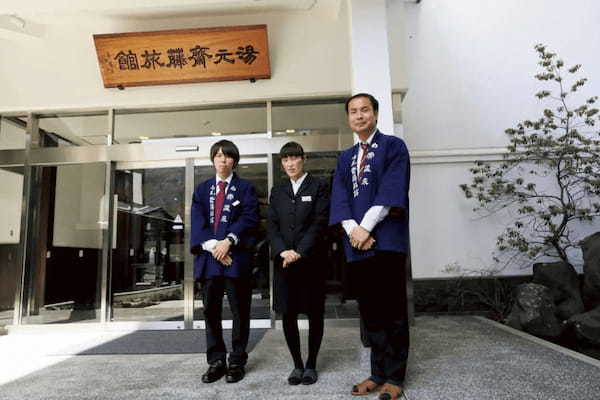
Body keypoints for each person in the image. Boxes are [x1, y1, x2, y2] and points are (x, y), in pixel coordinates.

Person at [329, 93, 410, 400]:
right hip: (357, 244)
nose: (359, 115)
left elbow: (392, 189)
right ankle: (377, 373)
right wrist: (353, 230)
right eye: (353, 111)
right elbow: (339, 198)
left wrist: (366, 227)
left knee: (393, 311)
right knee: (370, 311)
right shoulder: (346, 157)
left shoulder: (393, 147)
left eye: (365, 110)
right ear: (348, 118)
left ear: (375, 114)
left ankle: (395, 376)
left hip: (386, 242)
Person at [191, 139, 259, 384]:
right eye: (218, 155)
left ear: (234, 160)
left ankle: (237, 360)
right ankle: (216, 361)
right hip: (210, 260)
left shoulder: (246, 188)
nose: (222, 159)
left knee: (240, 311)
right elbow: (198, 222)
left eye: (227, 155)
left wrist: (229, 241)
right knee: (211, 311)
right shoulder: (201, 189)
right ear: (212, 159)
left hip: (235, 258)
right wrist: (213, 246)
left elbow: (250, 217)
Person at [267, 142, 329, 385]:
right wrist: (283, 251)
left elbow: (319, 222)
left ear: (303, 159)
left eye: (294, 158)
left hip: (311, 262)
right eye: (285, 159)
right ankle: (297, 365)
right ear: (282, 163)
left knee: (315, 313)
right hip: (284, 263)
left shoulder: (319, 186)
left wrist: (300, 252)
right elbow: (271, 225)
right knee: (288, 314)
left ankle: (312, 363)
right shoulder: (278, 190)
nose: (290, 163)